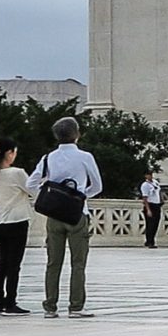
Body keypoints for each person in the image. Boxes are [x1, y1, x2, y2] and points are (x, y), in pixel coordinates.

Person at [29, 117, 101, 318]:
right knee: (78, 263)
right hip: (77, 214)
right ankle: (76, 306)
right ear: (77, 134)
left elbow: (31, 183)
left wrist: (49, 196)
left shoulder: (48, 158)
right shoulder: (85, 157)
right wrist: (79, 196)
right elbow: (97, 186)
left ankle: (50, 306)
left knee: (53, 262)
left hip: (54, 215)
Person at [0, 139, 33, 315]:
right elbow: (33, 191)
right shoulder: (17, 173)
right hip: (17, 220)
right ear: (9, 153)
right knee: (14, 264)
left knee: (2, 263)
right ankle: (11, 301)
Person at [138, 169, 163, 250]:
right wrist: (148, 209)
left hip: (157, 204)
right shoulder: (145, 185)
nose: (150, 176)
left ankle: (151, 239)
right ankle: (149, 241)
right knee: (150, 224)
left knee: (156, 223)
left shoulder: (155, 182)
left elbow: (158, 192)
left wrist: (161, 200)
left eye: (151, 174)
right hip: (150, 205)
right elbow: (144, 197)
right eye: (148, 175)